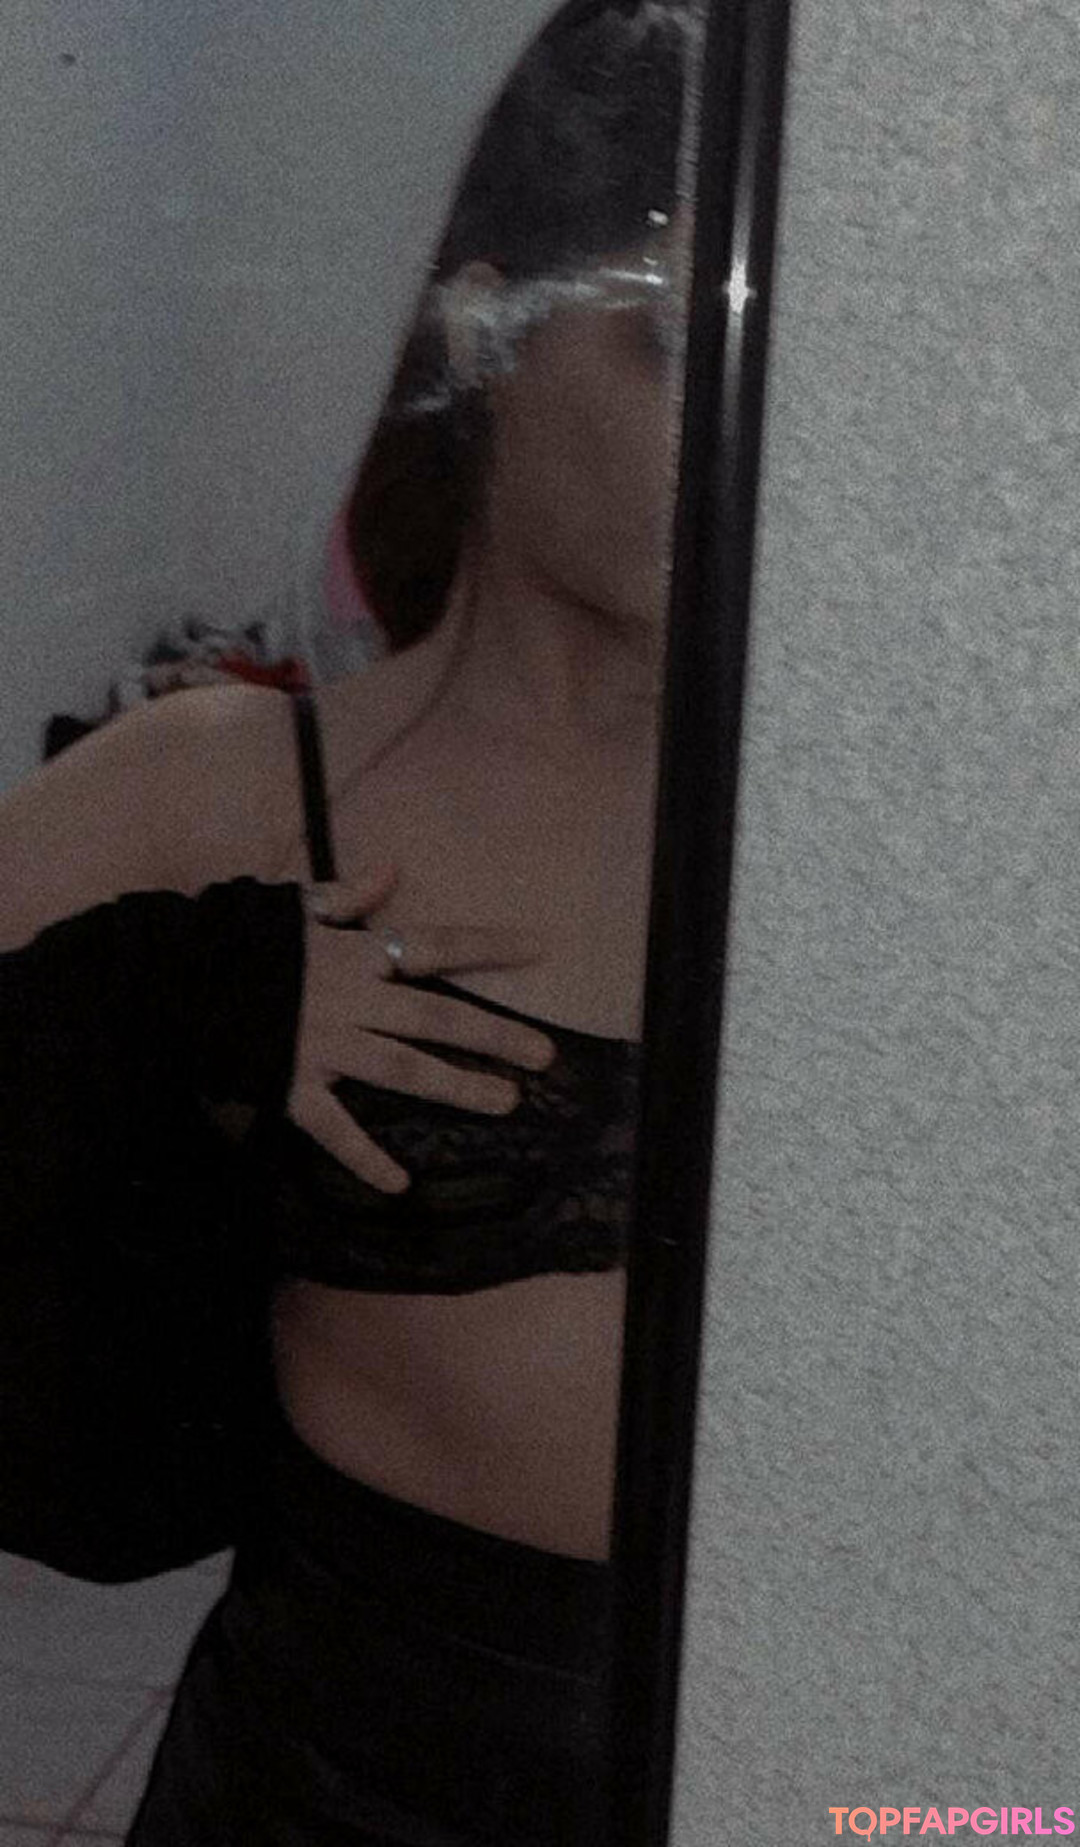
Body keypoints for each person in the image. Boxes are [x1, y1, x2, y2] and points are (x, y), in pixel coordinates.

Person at [0, 2, 694, 1839]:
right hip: (336, 1785)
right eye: (669, 343)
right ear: (488, 332)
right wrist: (164, 1001)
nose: (745, 439)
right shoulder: (232, 787)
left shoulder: (874, 862)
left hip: (826, 1774)